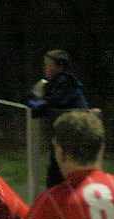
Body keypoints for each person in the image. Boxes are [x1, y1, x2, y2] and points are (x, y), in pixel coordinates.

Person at [21, 49, 89, 188]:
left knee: (63, 176)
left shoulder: (67, 82)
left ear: (58, 67)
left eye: (47, 65)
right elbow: (42, 103)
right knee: (55, 174)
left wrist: (32, 100)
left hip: (74, 136)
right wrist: (32, 98)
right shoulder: (54, 83)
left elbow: (48, 104)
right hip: (63, 136)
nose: (45, 68)